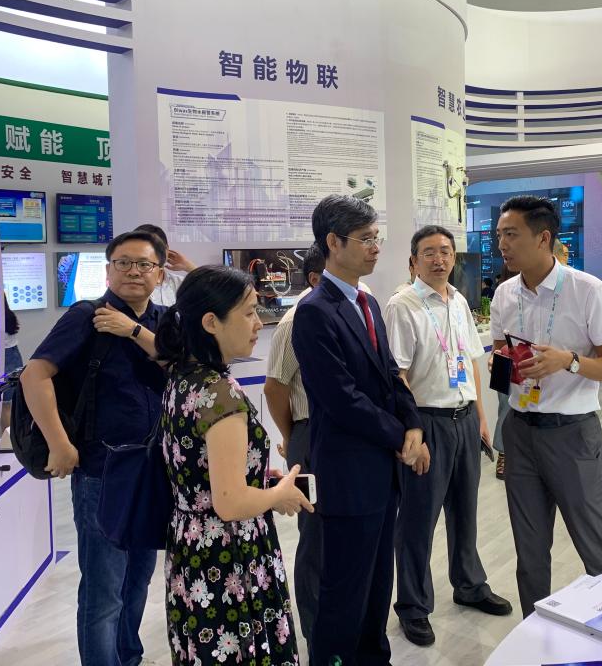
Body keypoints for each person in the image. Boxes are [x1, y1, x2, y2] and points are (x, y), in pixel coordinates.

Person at [20, 230, 168, 666]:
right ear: (108, 270)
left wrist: (133, 330)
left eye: (144, 264)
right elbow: (34, 375)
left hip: (153, 471)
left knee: (138, 580)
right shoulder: (87, 316)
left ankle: (128, 657)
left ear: (160, 274)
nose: (133, 272)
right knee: (104, 590)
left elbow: (182, 364)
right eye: (123, 263)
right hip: (103, 471)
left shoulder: (163, 321)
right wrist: (59, 444)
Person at [292, 194, 428, 666]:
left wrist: (413, 425)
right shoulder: (315, 310)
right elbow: (342, 399)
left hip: (381, 470)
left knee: (376, 586)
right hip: (347, 472)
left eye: (376, 237)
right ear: (333, 243)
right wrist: (400, 437)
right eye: (365, 239)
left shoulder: (366, 301)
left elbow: (390, 373)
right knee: (343, 592)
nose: (375, 247)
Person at [155, 265, 310, 666]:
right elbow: (230, 502)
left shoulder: (183, 378)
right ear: (211, 322)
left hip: (192, 547)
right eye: (249, 313)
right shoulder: (220, 394)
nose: (259, 324)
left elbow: (203, 471)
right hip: (228, 554)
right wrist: (278, 495)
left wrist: (258, 478)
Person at [490, 195, 602, 617]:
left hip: (573, 435)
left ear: (543, 238)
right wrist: (504, 365)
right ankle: (534, 634)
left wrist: (567, 361)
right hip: (520, 433)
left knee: (595, 547)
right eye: (500, 235)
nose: (502, 244)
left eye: (512, 235)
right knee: (529, 552)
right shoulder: (504, 294)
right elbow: (501, 360)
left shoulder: (587, 290)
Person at [385, 225, 512, 648]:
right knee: (418, 521)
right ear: (413, 261)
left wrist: (480, 417)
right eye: (429, 252)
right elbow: (397, 376)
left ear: (454, 257)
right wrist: (413, 433)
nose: (438, 259)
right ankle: (413, 606)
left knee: (465, 511)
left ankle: (469, 585)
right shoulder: (402, 306)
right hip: (428, 422)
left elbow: (471, 361)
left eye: (445, 251)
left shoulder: (457, 300)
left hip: (464, 419)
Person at [263, 243, 326, 645]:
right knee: (315, 533)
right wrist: (292, 437)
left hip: (348, 438)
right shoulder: (294, 320)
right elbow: (274, 387)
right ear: (316, 278)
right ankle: (316, 631)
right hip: (309, 432)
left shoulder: (361, 302)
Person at [491, 267, 518, 480]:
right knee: (505, 408)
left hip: (530, 363)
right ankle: (503, 453)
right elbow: (497, 341)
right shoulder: (503, 292)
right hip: (505, 360)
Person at [134, 223, 197, 306]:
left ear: (167, 249)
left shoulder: (180, 283)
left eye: (155, 248)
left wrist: (190, 267)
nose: (149, 254)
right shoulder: (130, 285)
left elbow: (212, 294)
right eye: (143, 249)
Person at [0, 291, 23, 434]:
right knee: (11, 404)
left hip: (5, 358)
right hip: (15, 356)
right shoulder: (10, 317)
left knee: (5, 405)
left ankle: (7, 439)